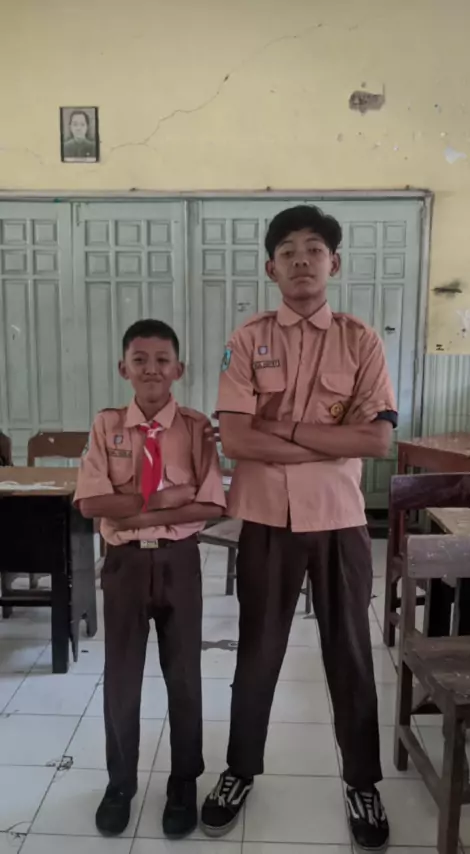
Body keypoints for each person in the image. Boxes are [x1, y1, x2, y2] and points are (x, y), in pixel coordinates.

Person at [201, 206, 397, 852]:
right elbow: (235, 439)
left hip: (340, 519)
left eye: (314, 249)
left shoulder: (360, 341)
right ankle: (239, 770)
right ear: (271, 268)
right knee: (257, 652)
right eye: (287, 251)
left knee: (351, 654)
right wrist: (327, 440)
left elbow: (376, 440)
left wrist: (280, 427)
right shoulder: (247, 339)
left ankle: (362, 781)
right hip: (265, 519)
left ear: (333, 263)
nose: (302, 260)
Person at [75, 318, 226, 839]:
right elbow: (90, 503)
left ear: (179, 369)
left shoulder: (196, 428)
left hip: (179, 561)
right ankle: (120, 783)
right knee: (121, 677)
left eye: (163, 360)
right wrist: (161, 499)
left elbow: (212, 504)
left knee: (183, 676)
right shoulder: (107, 426)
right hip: (124, 567)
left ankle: (183, 781)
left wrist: (132, 512)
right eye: (140, 360)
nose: (151, 369)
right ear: (124, 368)